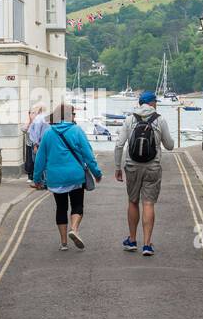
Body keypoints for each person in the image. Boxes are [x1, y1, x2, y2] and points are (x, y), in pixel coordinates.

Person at [32, 103, 102, 250]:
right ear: (69, 116)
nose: (75, 117)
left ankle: (64, 243)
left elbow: (40, 159)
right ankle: (74, 229)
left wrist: (36, 179)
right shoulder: (77, 131)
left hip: (55, 178)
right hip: (75, 176)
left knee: (61, 208)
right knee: (77, 205)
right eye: (74, 114)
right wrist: (96, 173)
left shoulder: (48, 133)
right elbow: (88, 155)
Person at [114, 90, 174, 256]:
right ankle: (147, 245)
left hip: (132, 166)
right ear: (153, 103)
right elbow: (169, 145)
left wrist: (118, 167)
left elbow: (119, 145)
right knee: (148, 203)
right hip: (152, 166)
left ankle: (132, 240)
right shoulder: (160, 119)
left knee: (133, 201)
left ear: (140, 103)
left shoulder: (129, 119)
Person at [23, 104, 48, 178]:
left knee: (37, 163)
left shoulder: (38, 119)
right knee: (44, 162)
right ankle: (44, 180)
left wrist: (35, 145)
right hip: (44, 144)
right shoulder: (46, 118)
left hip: (37, 145)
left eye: (34, 111)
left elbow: (36, 134)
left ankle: (40, 181)